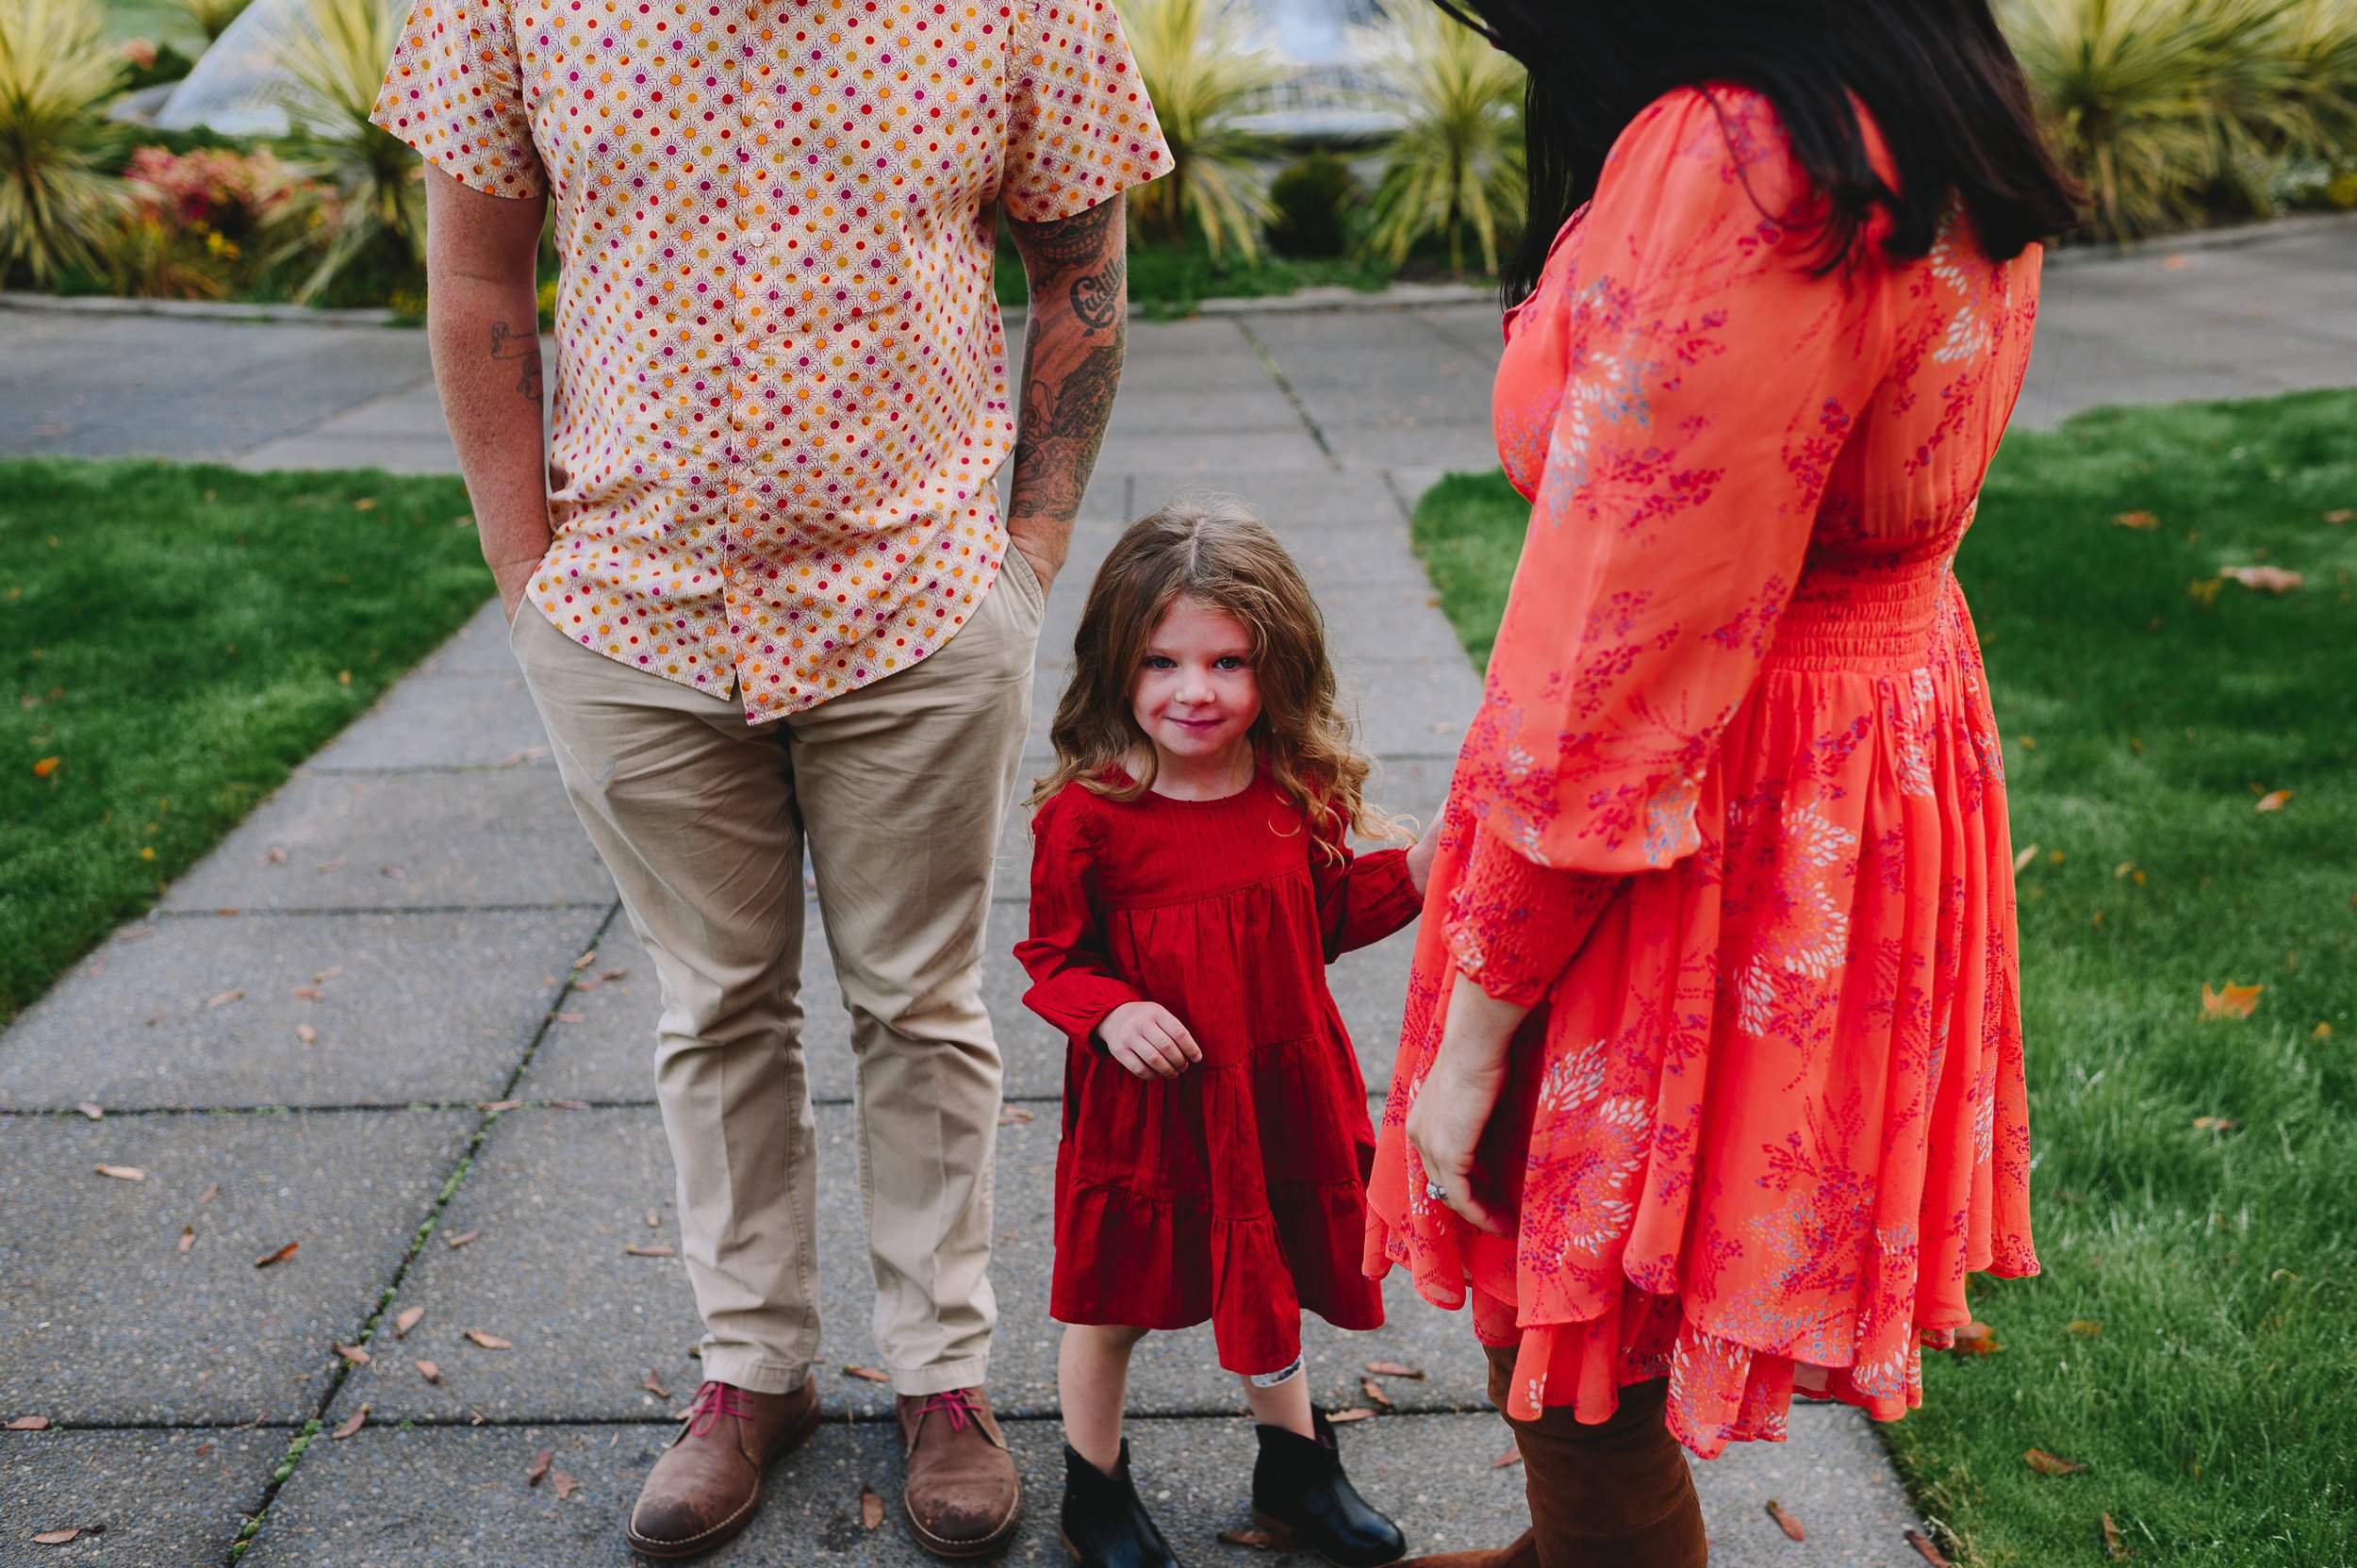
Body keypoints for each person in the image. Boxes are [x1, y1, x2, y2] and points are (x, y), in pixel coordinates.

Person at [368, 0, 1172, 1556]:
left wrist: (1030, 561)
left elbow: (1083, 274)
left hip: (923, 601)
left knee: (921, 1003)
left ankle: (941, 1373)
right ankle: (755, 1369)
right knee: (715, 1002)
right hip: (626, 607)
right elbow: (480, 275)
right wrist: (523, 576)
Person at [1360, 6, 2085, 1567]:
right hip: (1862, 730)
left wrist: (1479, 1015)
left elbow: (1629, 636)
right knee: (1599, 1269)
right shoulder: (1930, 93)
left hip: (1714, 774)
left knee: (1554, 1249)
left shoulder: (1756, 153)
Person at [1017, 496, 1434, 1568]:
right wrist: (1113, 1010)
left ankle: (1295, 1472)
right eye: (1160, 662)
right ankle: (1094, 1489)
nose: (1193, 691)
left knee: (1271, 1266)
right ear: (1116, 664)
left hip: (1276, 1087)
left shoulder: (1295, 793)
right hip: (1150, 1112)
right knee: (1111, 1305)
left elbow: (1324, 919)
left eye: (1227, 663)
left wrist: (1427, 872)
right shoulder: (1090, 817)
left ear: (1275, 668)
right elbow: (1052, 959)